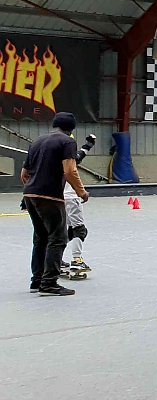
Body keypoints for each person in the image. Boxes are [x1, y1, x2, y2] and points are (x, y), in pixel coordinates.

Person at [21, 112, 89, 296]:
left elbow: (24, 174)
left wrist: (32, 188)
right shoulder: (67, 142)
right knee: (58, 238)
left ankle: (36, 281)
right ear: (71, 128)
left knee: (40, 237)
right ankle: (49, 283)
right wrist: (81, 191)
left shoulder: (37, 141)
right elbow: (69, 171)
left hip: (30, 194)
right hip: (50, 196)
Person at [63, 132, 97, 277]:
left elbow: (80, 155)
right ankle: (76, 260)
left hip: (57, 198)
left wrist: (88, 145)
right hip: (71, 197)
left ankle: (55, 258)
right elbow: (76, 161)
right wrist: (81, 192)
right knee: (79, 230)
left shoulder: (50, 156)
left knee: (65, 231)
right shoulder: (69, 159)